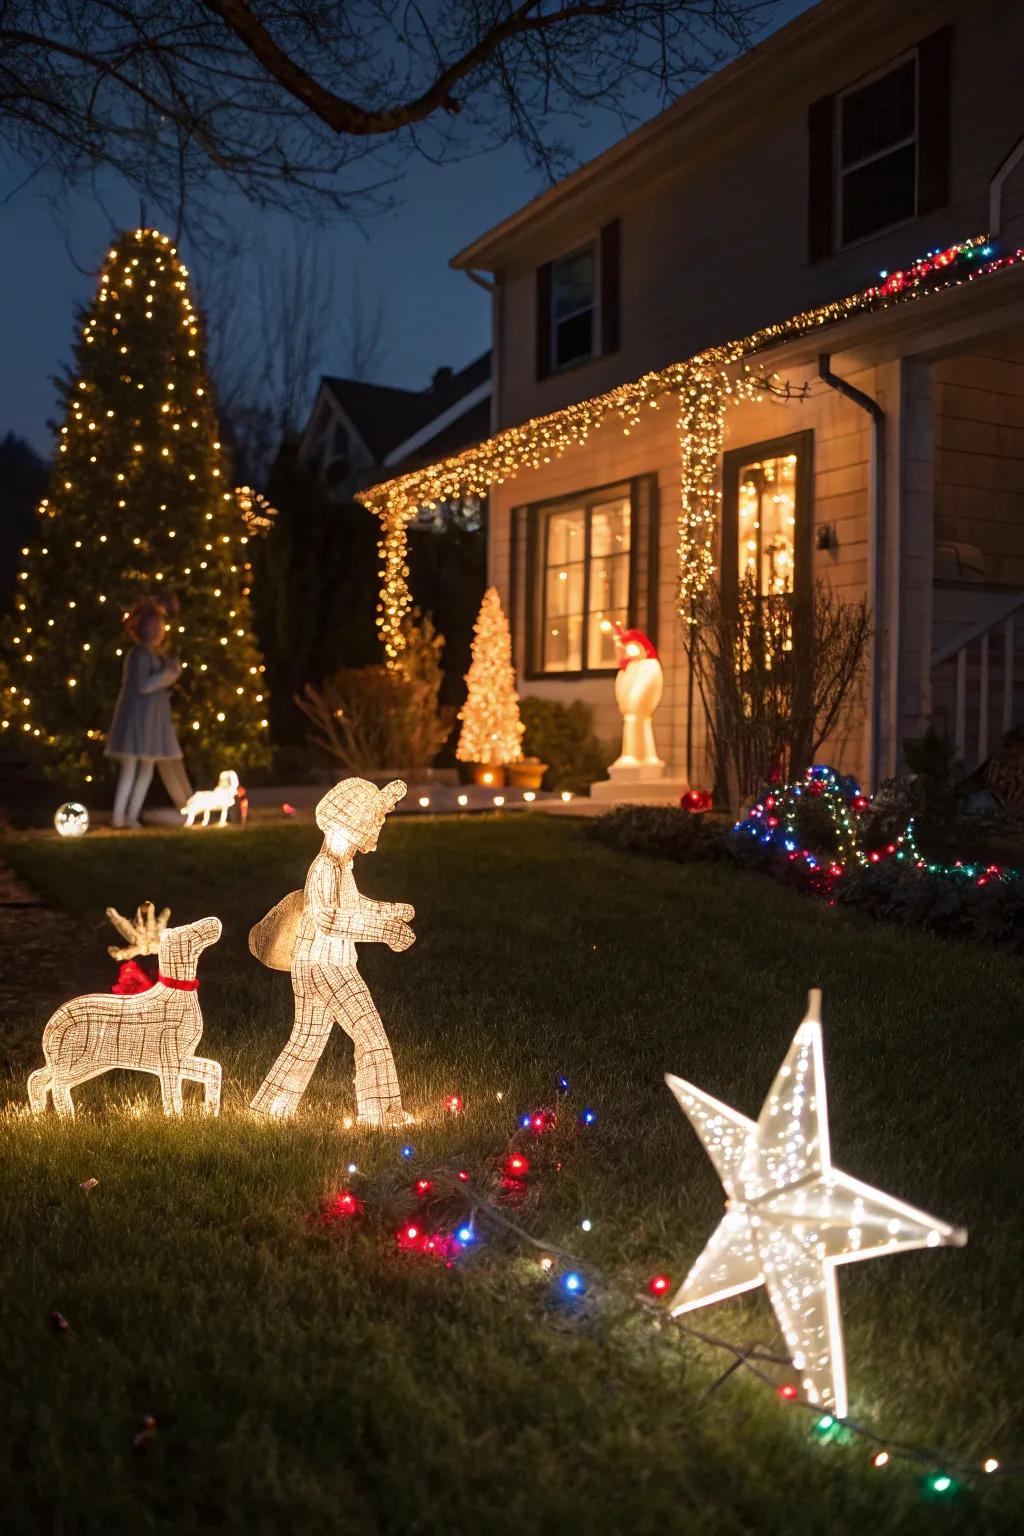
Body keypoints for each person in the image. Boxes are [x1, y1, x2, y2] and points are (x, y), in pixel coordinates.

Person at [250, 777, 413, 1124]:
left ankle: (269, 1108)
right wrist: (382, 931)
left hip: (313, 963)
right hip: (327, 966)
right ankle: (381, 1114)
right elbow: (328, 918)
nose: (366, 844)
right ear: (345, 827)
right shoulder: (325, 868)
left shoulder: (339, 867)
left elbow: (353, 905)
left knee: (306, 1040)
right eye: (365, 832)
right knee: (371, 1036)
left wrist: (389, 911)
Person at [106, 596, 192, 828]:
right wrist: (168, 675)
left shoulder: (154, 655)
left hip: (150, 723)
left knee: (146, 768)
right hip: (137, 723)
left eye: (160, 627)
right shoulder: (139, 655)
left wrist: (168, 674)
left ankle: (131, 816)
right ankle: (119, 816)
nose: (158, 631)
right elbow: (144, 685)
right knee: (130, 768)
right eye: (153, 627)